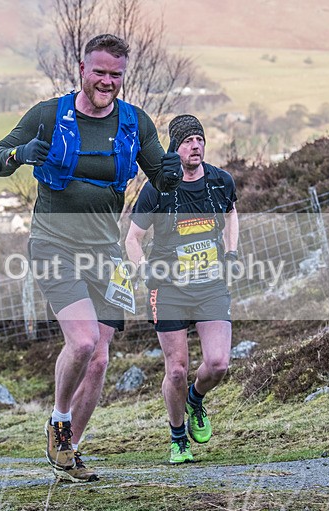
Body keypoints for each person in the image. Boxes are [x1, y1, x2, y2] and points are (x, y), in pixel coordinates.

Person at [0, 34, 183, 482]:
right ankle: (57, 423)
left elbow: (162, 178)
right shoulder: (47, 115)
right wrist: (21, 154)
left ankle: (69, 453)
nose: (107, 81)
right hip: (54, 244)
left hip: (105, 253)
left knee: (99, 359)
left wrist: (171, 175)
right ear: (82, 67)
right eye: (100, 72)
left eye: (116, 74)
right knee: (81, 342)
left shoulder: (135, 122)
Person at [125, 114, 238, 464]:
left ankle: (195, 398)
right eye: (188, 140)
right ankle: (177, 438)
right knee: (175, 369)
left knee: (218, 363)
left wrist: (232, 252)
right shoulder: (158, 187)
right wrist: (144, 270)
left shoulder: (220, 182)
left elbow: (231, 215)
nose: (196, 145)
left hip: (210, 287)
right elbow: (133, 238)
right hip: (169, 289)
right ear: (176, 147)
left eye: (200, 139)